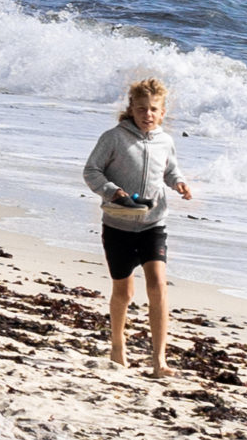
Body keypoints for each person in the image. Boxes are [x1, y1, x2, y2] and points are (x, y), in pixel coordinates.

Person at [82, 76, 193, 376]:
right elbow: (91, 170)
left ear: (163, 112)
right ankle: (118, 344)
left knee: (157, 285)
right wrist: (111, 191)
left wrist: (179, 183)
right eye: (142, 108)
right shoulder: (114, 138)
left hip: (153, 223)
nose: (148, 114)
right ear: (131, 108)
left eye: (154, 109)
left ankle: (159, 360)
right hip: (118, 224)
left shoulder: (165, 141)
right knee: (124, 293)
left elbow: (169, 170)